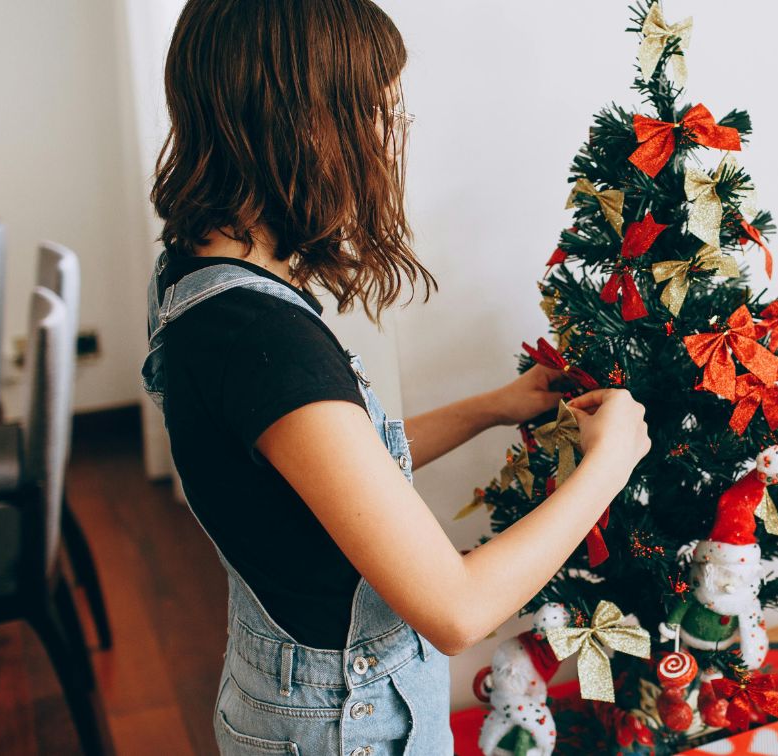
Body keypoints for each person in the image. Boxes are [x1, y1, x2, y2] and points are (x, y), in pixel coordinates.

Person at [140, 1, 650, 753]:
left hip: (279, 701)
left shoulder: (195, 275)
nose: (389, 137)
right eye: (377, 113)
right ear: (302, 123)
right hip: (343, 725)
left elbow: (333, 470)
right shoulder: (261, 339)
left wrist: (492, 408)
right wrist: (610, 464)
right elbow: (457, 609)